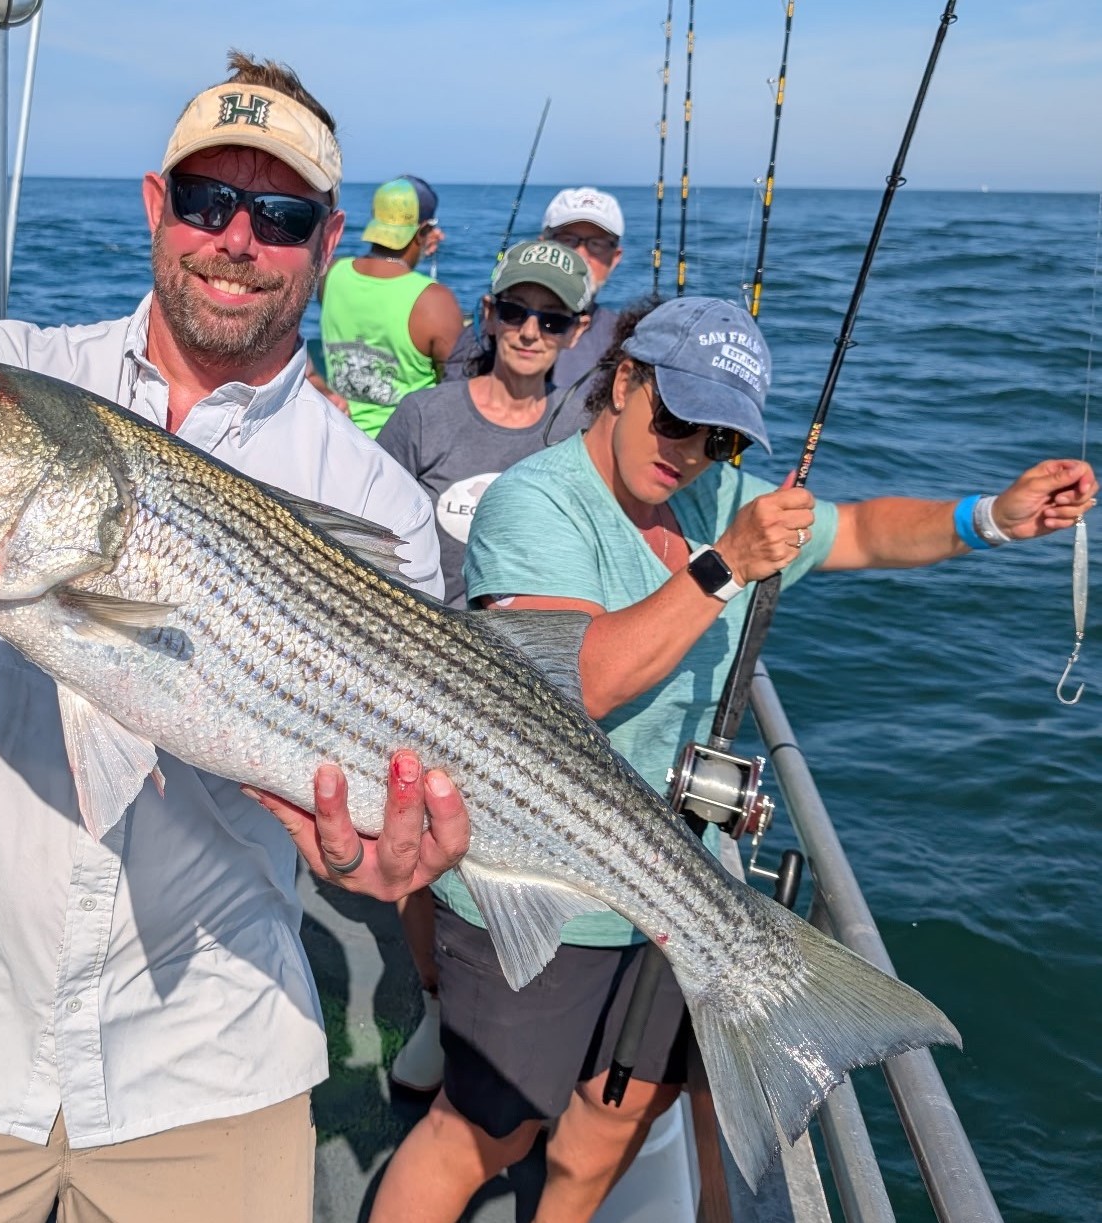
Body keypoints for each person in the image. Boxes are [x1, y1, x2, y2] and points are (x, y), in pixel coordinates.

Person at [0, 53, 473, 1223]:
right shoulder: (11, 370)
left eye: (279, 215)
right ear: (155, 204)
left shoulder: (377, 501)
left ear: (328, 241)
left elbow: (382, 829)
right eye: (207, 200)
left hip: (208, 1060)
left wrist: (376, 865)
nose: (236, 238)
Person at [371, 295, 1097, 1223]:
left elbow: (861, 529)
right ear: (623, 381)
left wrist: (989, 517)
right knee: (486, 1131)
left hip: (679, 886)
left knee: (614, 1118)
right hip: (540, 880)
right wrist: (722, 566)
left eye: (720, 439)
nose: (689, 452)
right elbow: (580, 679)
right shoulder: (535, 501)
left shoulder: (719, 499)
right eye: (676, 418)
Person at [375, 238, 593, 1092]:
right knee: (417, 845)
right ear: (488, 314)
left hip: (533, 677)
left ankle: (519, 1021)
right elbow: (371, 530)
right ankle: (437, 1001)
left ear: (577, 333)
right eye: (516, 311)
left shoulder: (580, 426)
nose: (531, 332)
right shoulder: (424, 417)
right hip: (419, 665)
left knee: (513, 857)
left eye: (553, 320)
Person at [315, 175, 464, 436]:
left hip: (340, 436)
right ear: (422, 231)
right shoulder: (435, 301)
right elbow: (455, 388)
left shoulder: (331, 273)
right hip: (404, 447)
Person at [444, 186, 626, 391]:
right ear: (543, 245)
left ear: (615, 257)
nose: (581, 255)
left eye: (597, 244)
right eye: (567, 240)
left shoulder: (625, 337)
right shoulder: (494, 325)